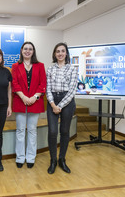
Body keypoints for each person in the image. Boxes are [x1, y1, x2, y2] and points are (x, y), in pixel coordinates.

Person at [11, 41, 46, 168]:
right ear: (21, 50)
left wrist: (34, 97)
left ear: (33, 51)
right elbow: (14, 84)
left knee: (32, 131)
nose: (27, 51)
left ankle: (31, 157)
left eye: (30, 49)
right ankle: (20, 158)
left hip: (35, 102)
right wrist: (24, 97)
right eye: (25, 49)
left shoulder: (40, 65)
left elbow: (43, 84)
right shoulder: (15, 66)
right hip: (20, 101)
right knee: (20, 130)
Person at [46, 42, 78, 174]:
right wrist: (53, 104)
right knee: (53, 132)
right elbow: (47, 88)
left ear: (66, 53)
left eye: (62, 51)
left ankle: (62, 160)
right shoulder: (50, 69)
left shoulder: (72, 69)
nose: (60, 53)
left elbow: (72, 91)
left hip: (67, 102)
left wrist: (59, 106)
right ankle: (53, 160)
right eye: (57, 51)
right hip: (52, 100)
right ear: (54, 54)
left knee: (64, 131)